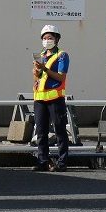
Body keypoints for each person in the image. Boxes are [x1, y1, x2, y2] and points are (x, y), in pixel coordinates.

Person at [32, 24, 70, 172]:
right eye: (45, 38)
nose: (47, 40)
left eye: (50, 37)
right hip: (40, 99)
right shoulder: (41, 55)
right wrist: (36, 72)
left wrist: (45, 68)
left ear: (56, 39)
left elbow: (61, 77)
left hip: (55, 98)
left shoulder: (62, 55)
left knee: (60, 131)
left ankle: (62, 162)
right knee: (41, 132)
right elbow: (37, 76)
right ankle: (43, 160)